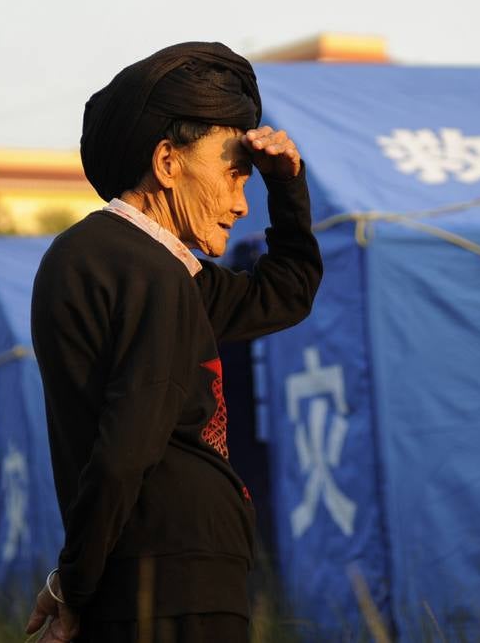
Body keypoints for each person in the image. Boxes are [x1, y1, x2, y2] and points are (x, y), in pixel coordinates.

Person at [24, 42, 322, 643]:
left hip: (166, 574)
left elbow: (285, 293)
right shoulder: (141, 269)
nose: (241, 204)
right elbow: (127, 443)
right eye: (233, 175)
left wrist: (287, 187)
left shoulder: (147, 267)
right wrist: (75, 585)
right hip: (167, 584)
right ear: (167, 162)